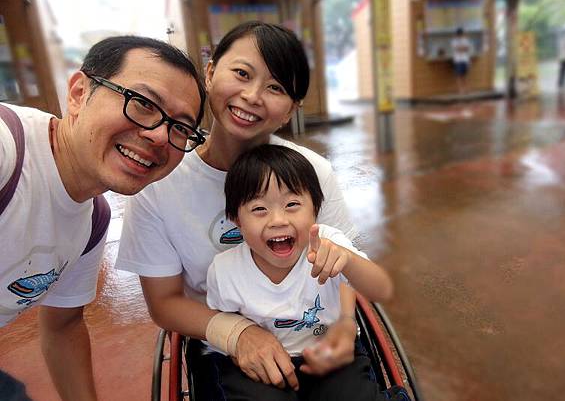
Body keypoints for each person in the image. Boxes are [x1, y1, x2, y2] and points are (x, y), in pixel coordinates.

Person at [116, 21, 371, 394]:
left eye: (275, 87)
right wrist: (237, 334)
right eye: (241, 73)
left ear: (290, 110)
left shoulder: (314, 171)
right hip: (224, 347)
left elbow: (340, 262)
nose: (253, 96)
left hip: (314, 330)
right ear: (210, 72)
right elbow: (164, 303)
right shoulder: (159, 184)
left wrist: (347, 323)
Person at [0, 35, 206, 401]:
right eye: (142, 103)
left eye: (180, 128)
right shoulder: (7, 152)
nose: (160, 136)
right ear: (79, 93)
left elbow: (63, 326)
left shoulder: (92, 221)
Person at [202, 143, 400, 400]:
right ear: (236, 220)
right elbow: (220, 325)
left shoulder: (328, 243)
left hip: (333, 356)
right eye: (259, 209)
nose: (278, 220)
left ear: (315, 210)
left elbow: (380, 289)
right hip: (264, 365)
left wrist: (348, 260)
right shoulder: (224, 270)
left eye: (292, 204)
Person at [450, 27, 472, 94]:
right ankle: (460, 90)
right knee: (459, 75)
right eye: (459, 34)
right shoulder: (454, 41)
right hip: (458, 60)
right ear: (456, 34)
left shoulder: (466, 40)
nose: (460, 35)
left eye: (461, 34)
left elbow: (467, 48)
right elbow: (457, 49)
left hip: (465, 60)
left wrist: (462, 48)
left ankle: (466, 89)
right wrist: (463, 48)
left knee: (465, 75)